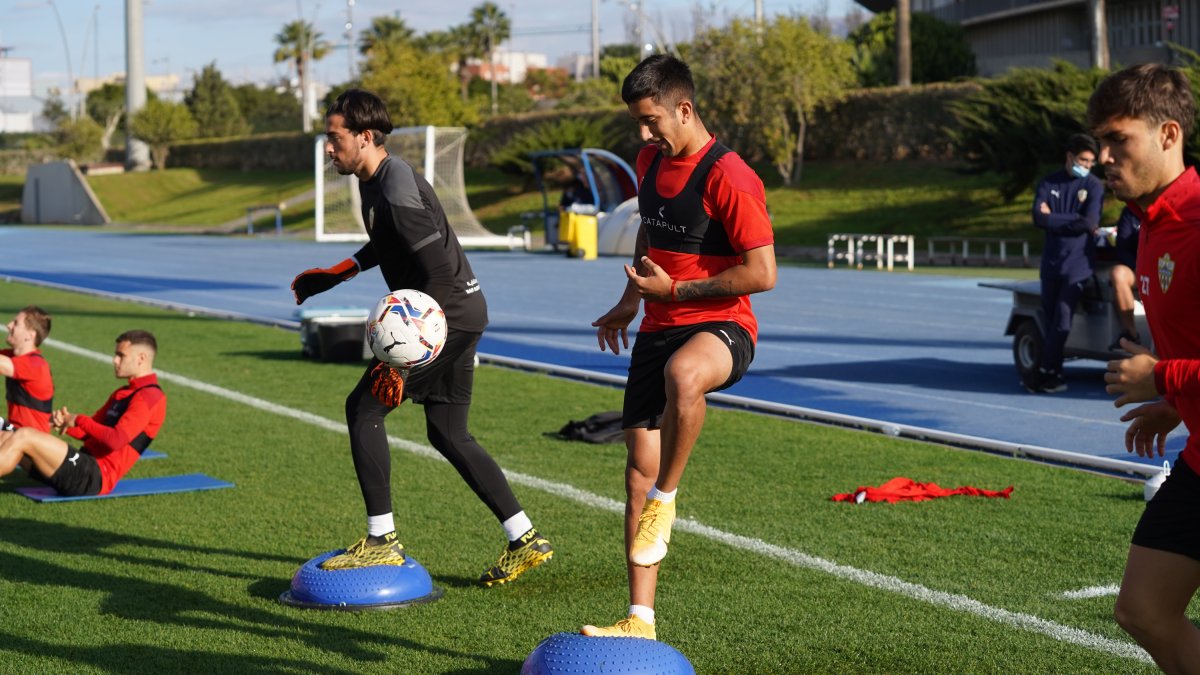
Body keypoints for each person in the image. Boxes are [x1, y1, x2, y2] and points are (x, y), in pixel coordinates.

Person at [290, 89, 552, 585]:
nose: (328, 147)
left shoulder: (394, 187)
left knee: (363, 408)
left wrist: (402, 354)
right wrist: (338, 273)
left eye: (334, 137)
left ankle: (381, 541)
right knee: (448, 432)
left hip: (444, 314)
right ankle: (524, 537)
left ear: (365, 137)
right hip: (460, 312)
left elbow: (435, 275)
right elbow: (387, 243)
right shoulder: (377, 180)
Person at [582, 55, 776, 640]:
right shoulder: (650, 159)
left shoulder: (730, 176)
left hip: (722, 324)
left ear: (683, 109)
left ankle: (670, 495)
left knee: (685, 376)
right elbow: (650, 228)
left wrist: (679, 290)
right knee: (635, 474)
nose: (643, 135)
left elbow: (762, 273)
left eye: (650, 121)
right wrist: (631, 297)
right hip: (657, 324)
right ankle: (640, 619)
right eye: (638, 123)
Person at [1094, 63, 1200, 672]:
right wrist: (1175, 403)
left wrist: (1164, 378)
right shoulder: (1150, 223)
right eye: (1099, 141)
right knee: (1143, 609)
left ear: (1167, 135)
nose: (1104, 154)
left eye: (1118, 139)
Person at [0, 329, 166, 497]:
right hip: (81, 463)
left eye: (120, 355)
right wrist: (66, 423)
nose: (114, 360)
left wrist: (79, 419)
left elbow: (116, 440)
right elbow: (89, 434)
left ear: (141, 358)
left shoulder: (150, 397)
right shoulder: (123, 393)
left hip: (95, 476)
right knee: (6, 435)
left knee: (24, 435)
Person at [1028, 133, 1105, 394]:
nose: (1087, 165)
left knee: (1062, 320)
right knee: (1050, 321)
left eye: (1091, 161)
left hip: (1077, 266)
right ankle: (1054, 373)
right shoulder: (1049, 181)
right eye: (1083, 160)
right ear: (1070, 157)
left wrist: (1054, 219)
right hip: (1051, 264)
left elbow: (1088, 222)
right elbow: (1038, 218)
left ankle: (1044, 371)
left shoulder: (1094, 186)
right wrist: (1068, 219)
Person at [1, 306, 54, 432]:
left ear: (29, 335)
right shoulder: (13, 356)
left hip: (31, 443)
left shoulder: (36, 365)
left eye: (16, 323)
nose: (9, 325)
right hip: (15, 433)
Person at [1109, 206, 1142, 348]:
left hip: (1165, 268)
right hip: (1138, 269)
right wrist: (1139, 267)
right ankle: (1131, 334)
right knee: (1118, 273)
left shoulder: (1172, 208)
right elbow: (1122, 249)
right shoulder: (1130, 211)